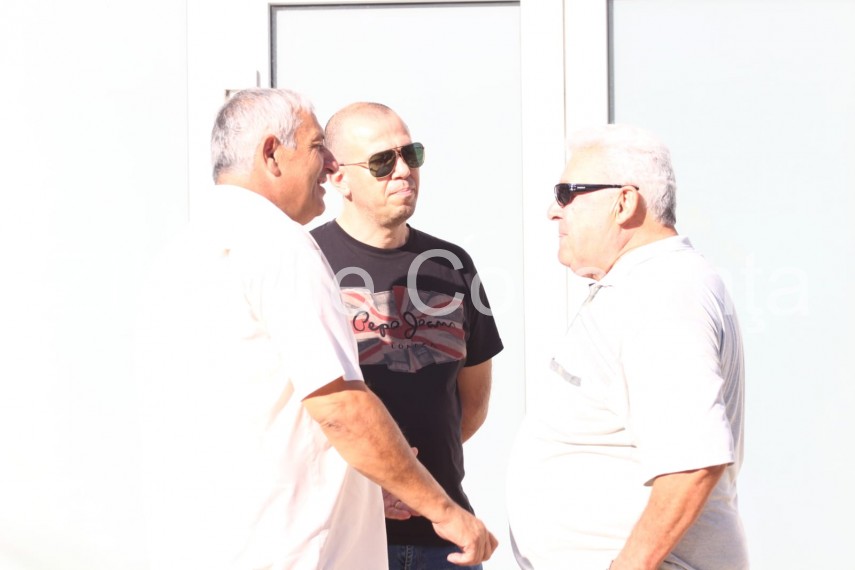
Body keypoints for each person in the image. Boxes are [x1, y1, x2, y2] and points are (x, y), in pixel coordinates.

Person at [134, 88, 497, 569]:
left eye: (410, 154)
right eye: (316, 147)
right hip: (289, 544)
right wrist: (444, 510)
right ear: (271, 154)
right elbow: (339, 408)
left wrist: (379, 487)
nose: (327, 165)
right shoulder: (282, 246)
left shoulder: (183, 253)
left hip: (218, 539)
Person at [506, 124, 748, 570]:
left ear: (624, 203)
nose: (553, 211)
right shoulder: (648, 284)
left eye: (566, 194)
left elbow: (694, 460)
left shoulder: (662, 290)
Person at [311, 102, 504, 570]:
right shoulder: (307, 262)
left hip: (445, 540)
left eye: (410, 154)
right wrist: (368, 485)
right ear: (339, 177)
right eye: (382, 161)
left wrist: (411, 484)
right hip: (343, 541)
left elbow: (472, 405)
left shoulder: (454, 265)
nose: (403, 171)